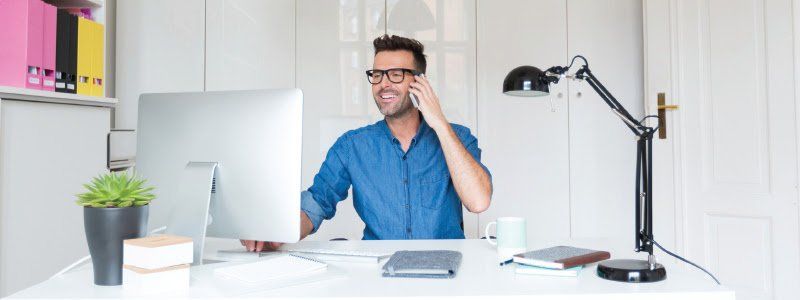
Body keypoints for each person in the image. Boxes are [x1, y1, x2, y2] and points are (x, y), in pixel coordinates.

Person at [242, 34, 492, 251]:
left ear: (419, 82)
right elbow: (317, 202)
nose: (383, 84)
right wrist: (276, 231)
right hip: (377, 274)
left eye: (396, 75)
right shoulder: (352, 146)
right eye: (377, 74)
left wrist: (438, 122)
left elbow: (478, 201)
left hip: (448, 270)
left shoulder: (457, 138)